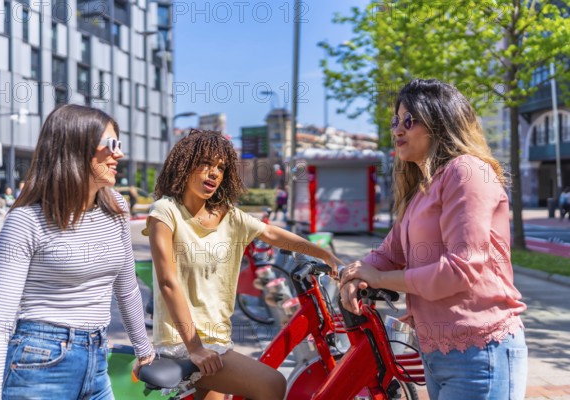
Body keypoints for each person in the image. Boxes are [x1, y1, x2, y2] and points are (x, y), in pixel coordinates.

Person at [339, 79, 528, 400]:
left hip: (481, 352)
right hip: (439, 353)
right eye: (395, 121)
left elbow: (461, 270)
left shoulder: (467, 172)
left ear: (441, 121)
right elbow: (389, 252)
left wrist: (381, 278)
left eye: (409, 120)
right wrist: (356, 273)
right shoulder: (424, 188)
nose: (397, 130)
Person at [143, 129, 342, 400]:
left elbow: (272, 234)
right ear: (185, 165)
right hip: (184, 341)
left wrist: (324, 254)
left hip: (217, 339)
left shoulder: (229, 216)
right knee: (271, 384)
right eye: (205, 164)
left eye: (220, 167)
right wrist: (196, 348)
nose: (213, 173)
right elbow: (168, 282)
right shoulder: (166, 212)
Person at [0, 104, 155, 399]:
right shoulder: (27, 221)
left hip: (98, 359)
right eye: (111, 145)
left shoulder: (117, 208)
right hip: (39, 361)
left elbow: (127, 288)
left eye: (120, 145)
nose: (119, 154)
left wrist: (144, 350)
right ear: (76, 148)